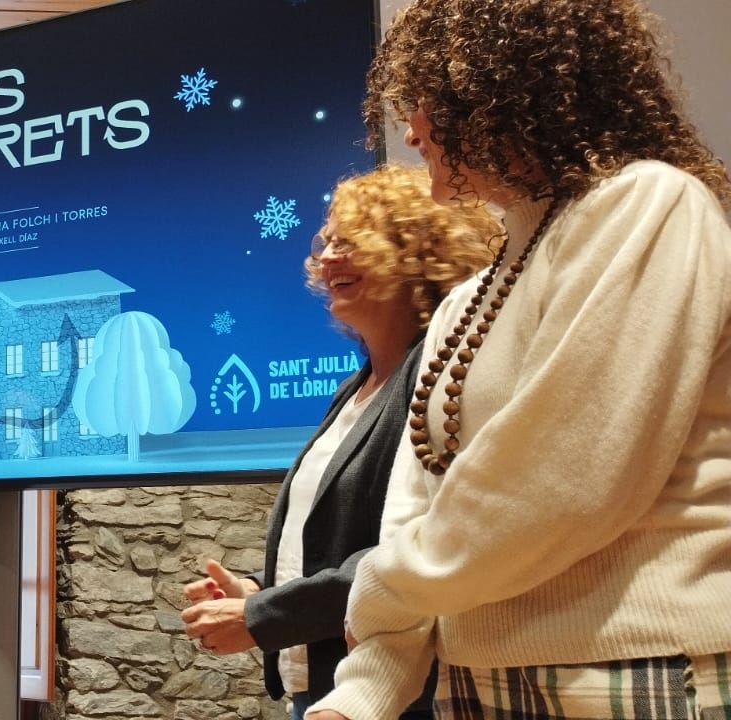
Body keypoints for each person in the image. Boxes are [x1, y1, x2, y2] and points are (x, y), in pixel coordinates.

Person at [302, 1, 731, 718]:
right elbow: (422, 505)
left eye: (425, 100)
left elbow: (569, 477)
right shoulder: (468, 300)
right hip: (477, 680)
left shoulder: (646, 204)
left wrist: (382, 587)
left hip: (635, 669)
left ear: (497, 89)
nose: (410, 132)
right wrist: (363, 692)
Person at [180, 164, 500, 719]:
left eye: (351, 243)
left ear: (419, 251)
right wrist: (259, 591)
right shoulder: (355, 388)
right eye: (326, 244)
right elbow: (346, 538)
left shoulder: (445, 374)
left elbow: (426, 539)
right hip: (327, 685)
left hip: (410, 693)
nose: (327, 259)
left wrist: (266, 616)